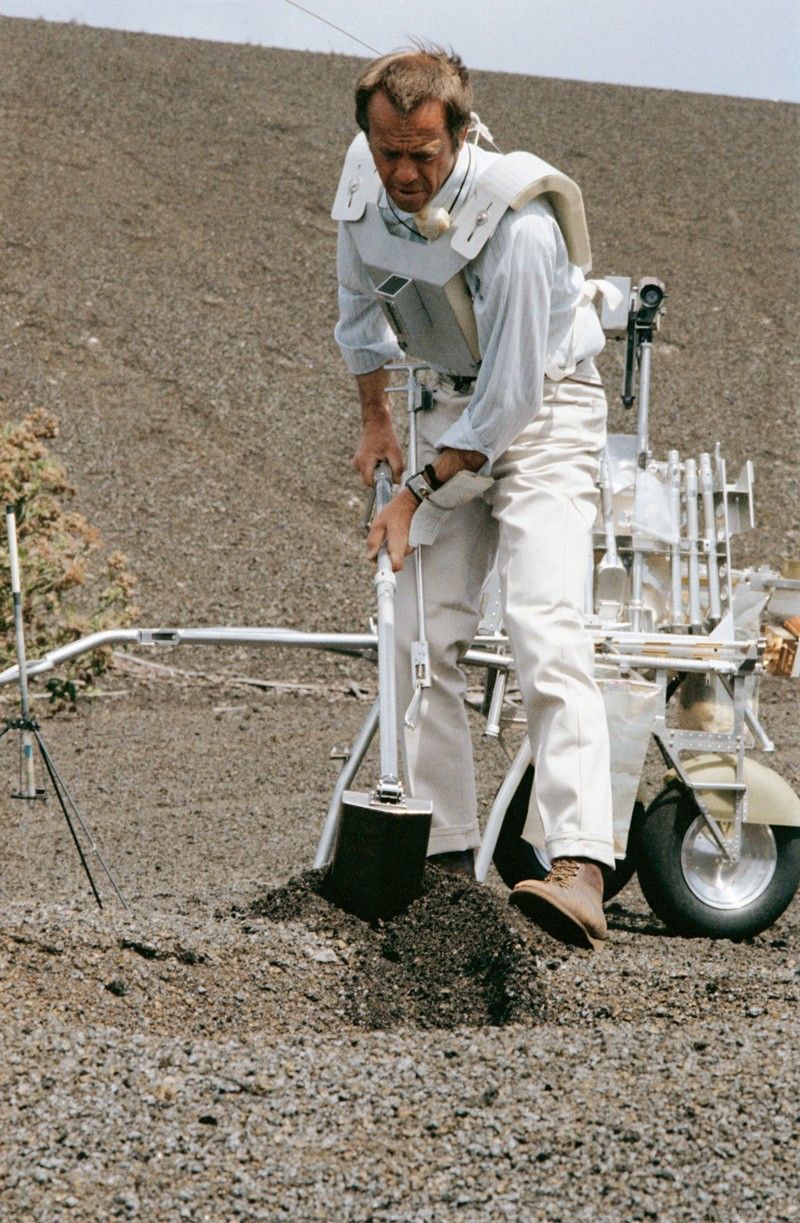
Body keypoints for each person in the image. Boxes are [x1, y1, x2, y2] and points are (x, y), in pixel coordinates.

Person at [332, 47, 615, 949]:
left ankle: (578, 864)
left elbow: (511, 403)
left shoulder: (520, 227)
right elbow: (358, 312)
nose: (404, 173)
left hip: (543, 410)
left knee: (543, 622)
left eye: (423, 153)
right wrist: (377, 419)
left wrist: (414, 490)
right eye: (388, 151)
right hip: (446, 403)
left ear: (462, 133)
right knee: (419, 634)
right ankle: (448, 862)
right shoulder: (362, 189)